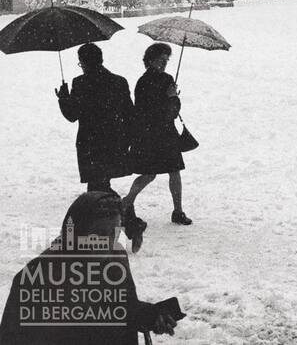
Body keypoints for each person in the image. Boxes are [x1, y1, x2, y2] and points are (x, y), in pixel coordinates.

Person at [0, 191, 183, 344]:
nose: (108, 242)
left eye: (115, 232)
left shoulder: (115, 260)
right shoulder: (38, 277)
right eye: (99, 233)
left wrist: (150, 315)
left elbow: (119, 308)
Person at [124, 42, 191, 234]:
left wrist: (172, 97)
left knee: (170, 171)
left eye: (166, 60)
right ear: (150, 60)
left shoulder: (146, 81)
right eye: (161, 60)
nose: (164, 63)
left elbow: (165, 111)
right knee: (153, 173)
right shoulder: (151, 82)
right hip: (156, 134)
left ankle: (177, 210)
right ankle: (127, 202)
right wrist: (171, 97)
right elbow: (162, 112)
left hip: (154, 134)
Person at [54, 43, 133, 193]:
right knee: (101, 184)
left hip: (89, 142)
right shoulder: (119, 81)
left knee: (96, 186)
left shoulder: (80, 83)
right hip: (114, 139)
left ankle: (123, 208)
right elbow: (129, 113)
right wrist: (127, 139)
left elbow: (72, 116)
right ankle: (120, 209)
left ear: (83, 62)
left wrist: (64, 99)